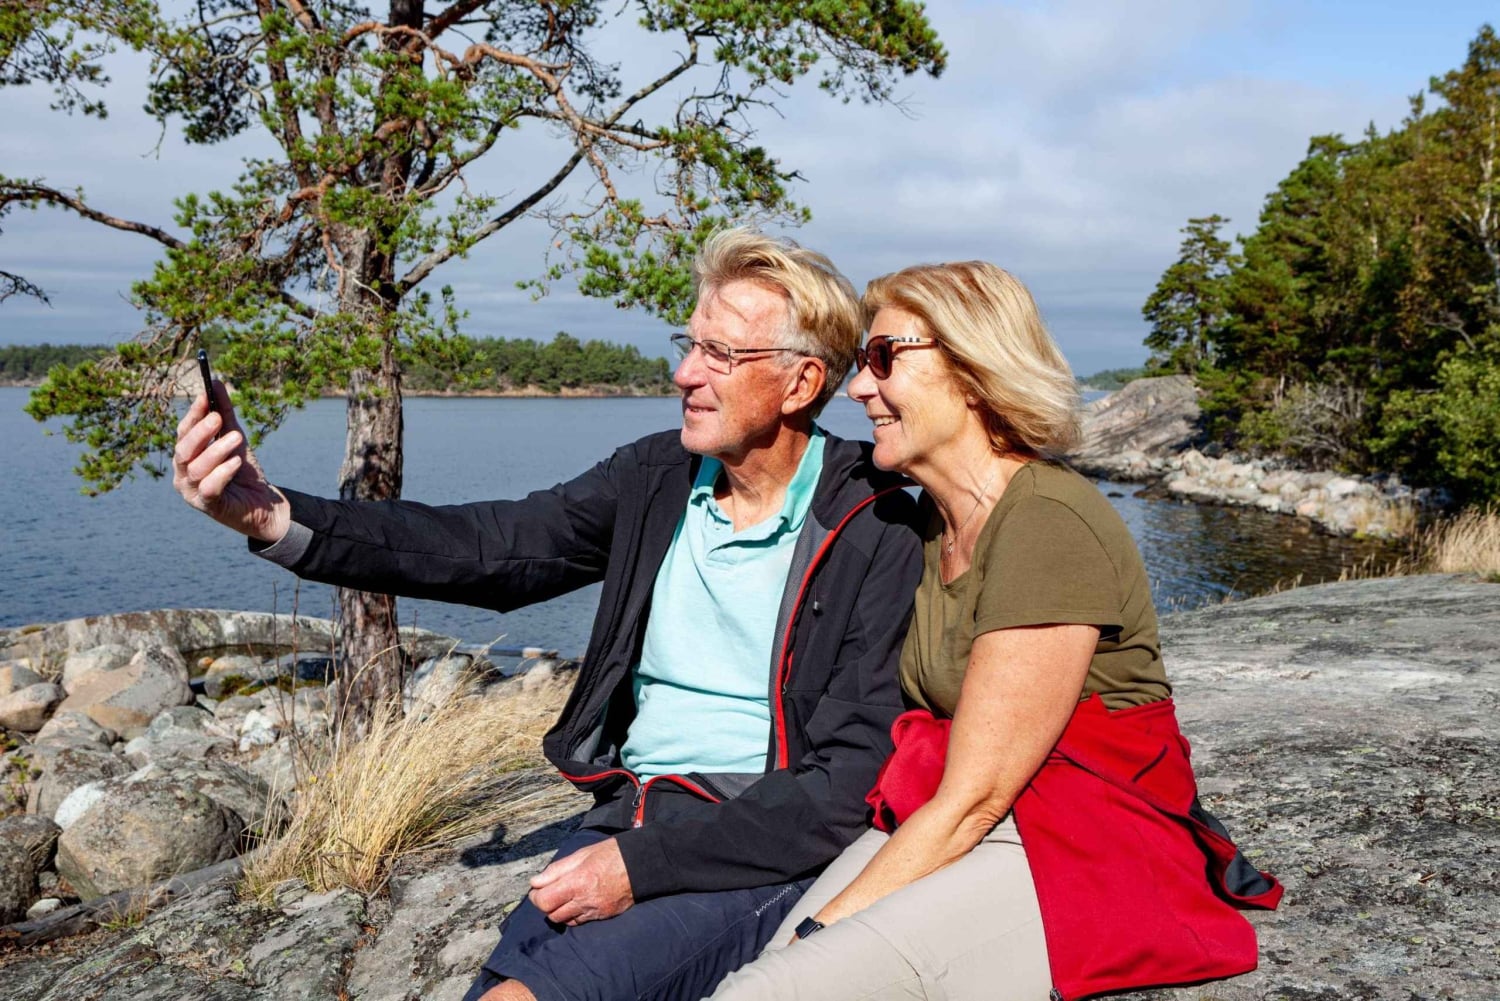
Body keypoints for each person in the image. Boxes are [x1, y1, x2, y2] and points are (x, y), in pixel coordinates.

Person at [171, 228, 923, 1001]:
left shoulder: (875, 522)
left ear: (801, 383)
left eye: (720, 354)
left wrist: (641, 867)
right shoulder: (659, 476)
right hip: (628, 812)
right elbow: (489, 547)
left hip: (755, 847)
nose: (684, 372)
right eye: (689, 343)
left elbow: (847, 780)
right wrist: (270, 515)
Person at [710, 261, 1282, 1001]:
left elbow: (975, 796)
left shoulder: (1046, 521)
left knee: (775, 988)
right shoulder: (925, 524)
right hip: (969, 811)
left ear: (974, 369)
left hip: (1076, 839)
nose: (857, 388)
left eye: (883, 359)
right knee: (765, 970)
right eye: (859, 364)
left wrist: (820, 931)